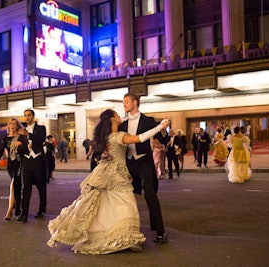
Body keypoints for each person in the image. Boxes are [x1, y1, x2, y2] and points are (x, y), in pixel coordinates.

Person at [47, 109, 171, 254]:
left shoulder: (106, 136)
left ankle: (115, 234)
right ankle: (123, 236)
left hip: (107, 171)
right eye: (117, 115)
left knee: (107, 205)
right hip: (117, 174)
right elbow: (141, 138)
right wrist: (160, 126)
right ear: (112, 119)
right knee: (125, 203)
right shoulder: (119, 136)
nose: (120, 115)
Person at [118, 92, 168, 243]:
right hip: (128, 163)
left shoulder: (148, 120)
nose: (124, 104)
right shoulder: (122, 124)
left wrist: (164, 129)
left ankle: (160, 231)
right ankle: (125, 230)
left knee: (150, 194)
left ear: (135, 102)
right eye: (123, 102)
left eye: (126, 101)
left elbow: (162, 138)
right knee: (124, 196)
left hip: (144, 162)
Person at [0, 118, 27, 220]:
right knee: (16, 185)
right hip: (11, 165)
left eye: (14, 124)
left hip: (20, 164)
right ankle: (17, 207)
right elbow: (0, 152)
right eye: (10, 124)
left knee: (16, 185)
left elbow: (27, 150)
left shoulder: (21, 138)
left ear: (17, 126)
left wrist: (21, 145)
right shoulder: (5, 139)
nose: (12, 126)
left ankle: (11, 209)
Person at [18, 109, 47, 223]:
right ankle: (24, 214)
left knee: (41, 188)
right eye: (25, 115)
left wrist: (28, 135)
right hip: (27, 162)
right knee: (26, 188)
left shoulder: (41, 129)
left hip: (38, 161)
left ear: (33, 116)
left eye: (29, 115)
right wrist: (24, 146)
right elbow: (20, 148)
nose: (27, 117)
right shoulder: (22, 132)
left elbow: (40, 140)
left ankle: (42, 209)